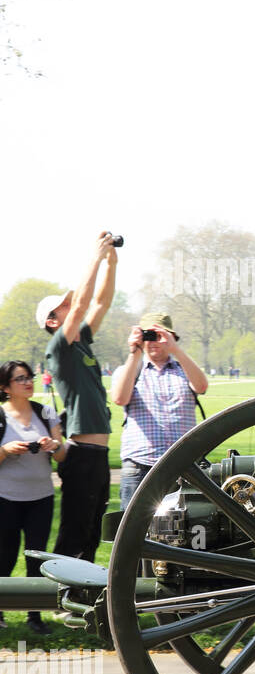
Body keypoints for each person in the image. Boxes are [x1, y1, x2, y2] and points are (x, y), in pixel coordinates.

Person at [38, 231, 119, 562]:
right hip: (81, 454)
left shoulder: (81, 342)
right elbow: (85, 302)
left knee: (91, 530)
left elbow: (100, 302)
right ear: (51, 321)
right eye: (64, 307)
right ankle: (58, 598)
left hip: (98, 453)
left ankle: (80, 601)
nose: (72, 307)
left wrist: (112, 262)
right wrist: (96, 257)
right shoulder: (58, 347)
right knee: (74, 528)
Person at [109, 313, 209, 508]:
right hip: (140, 464)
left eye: (158, 335)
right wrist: (135, 352)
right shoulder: (129, 369)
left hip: (183, 464)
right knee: (134, 532)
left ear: (170, 336)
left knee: (183, 529)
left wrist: (176, 350)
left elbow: (201, 386)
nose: (153, 341)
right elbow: (120, 398)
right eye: (148, 335)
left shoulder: (184, 367)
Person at [0, 360, 68, 633]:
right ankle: (1, 613)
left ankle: (34, 616)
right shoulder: (1, 415)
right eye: (20, 379)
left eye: (30, 377)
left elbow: (62, 455)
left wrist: (54, 446)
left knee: (36, 557)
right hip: (6, 497)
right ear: (5, 387)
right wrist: (6, 450)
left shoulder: (46, 411)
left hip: (41, 496)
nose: (29, 382)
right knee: (4, 556)